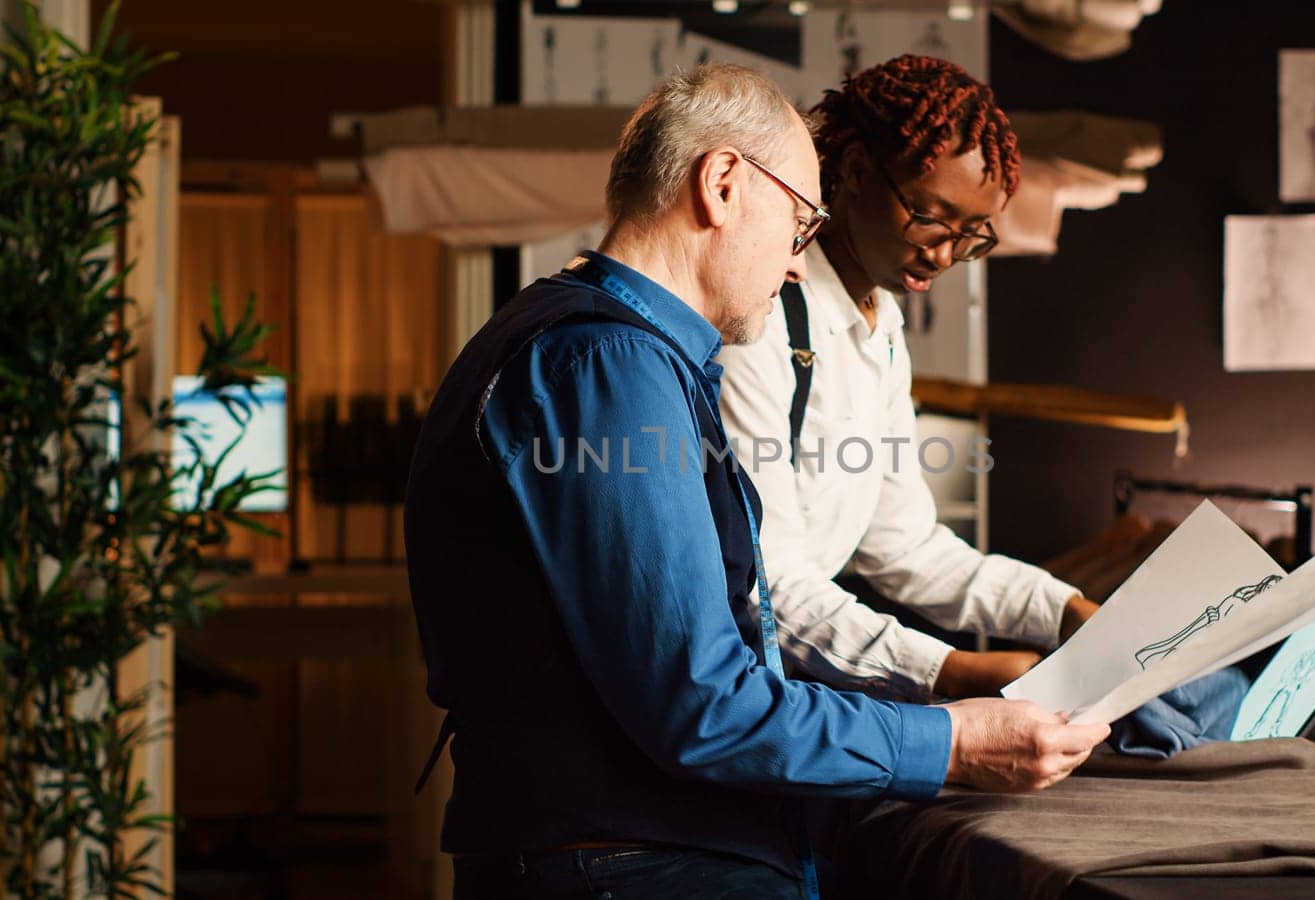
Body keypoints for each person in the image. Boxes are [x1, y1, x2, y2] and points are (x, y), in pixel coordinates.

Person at [404, 63, 1109, 900]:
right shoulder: (610, 364)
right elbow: (702, 701)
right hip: (626, 857)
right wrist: (946, 739)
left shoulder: (621, 353)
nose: (795, 265)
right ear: (725, 184)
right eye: (800, 224)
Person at [716, 55, 1101, 705]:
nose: (945, 253)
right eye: (930, 217)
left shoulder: (883, 329)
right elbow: (770, 585)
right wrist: (953, 673)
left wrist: (1066, 611)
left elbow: (906, 548)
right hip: (723, 682)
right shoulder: (763, 318)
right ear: (859, 172)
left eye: (971, 235)